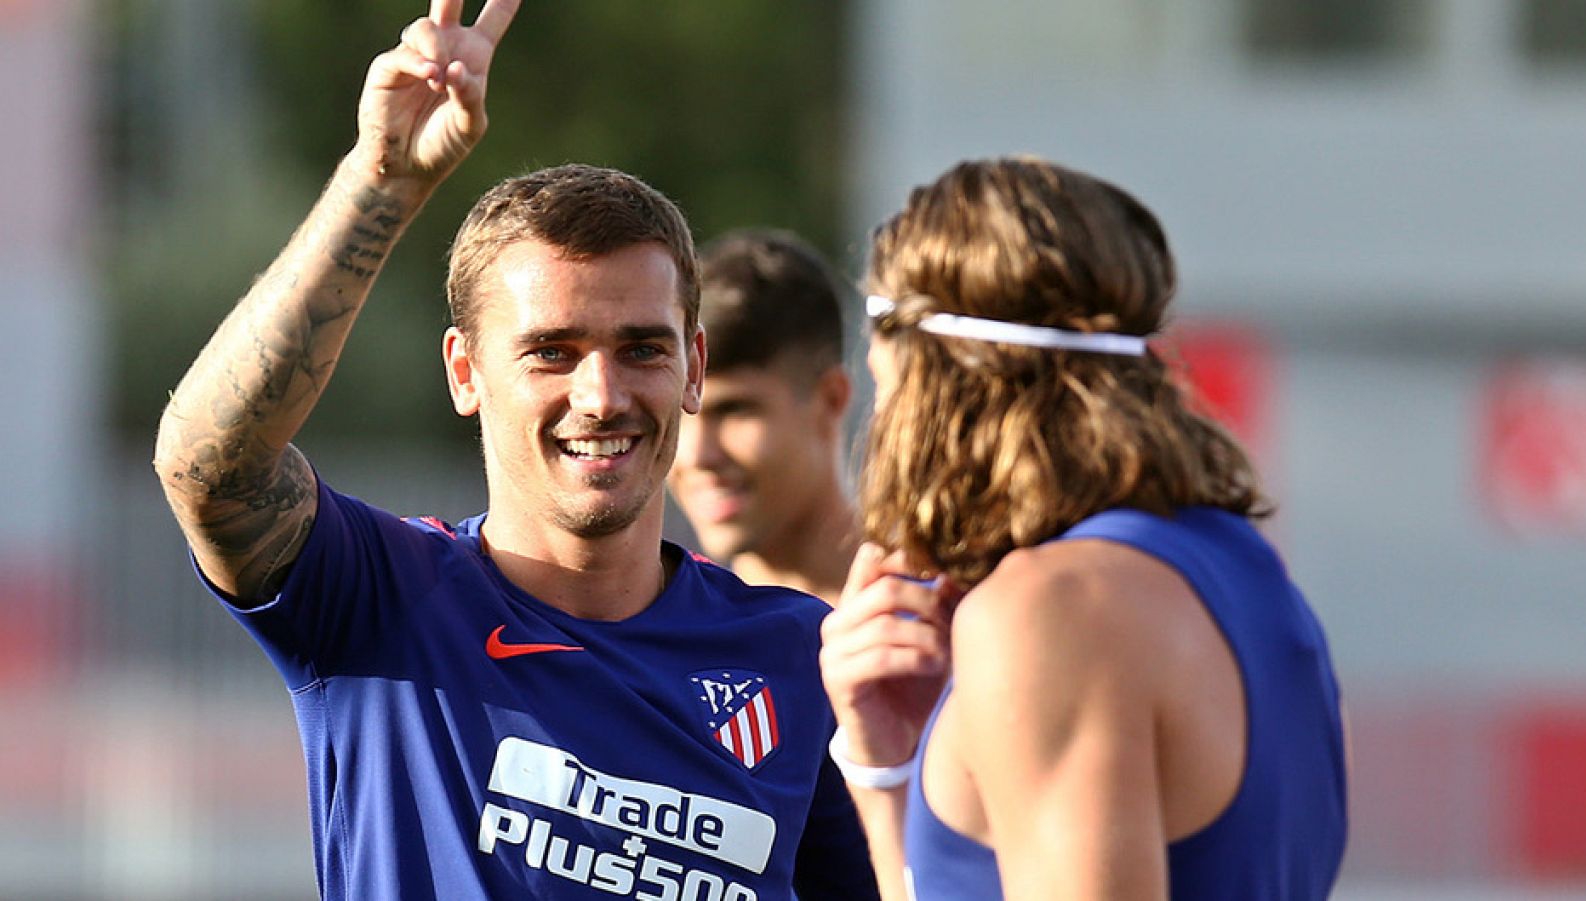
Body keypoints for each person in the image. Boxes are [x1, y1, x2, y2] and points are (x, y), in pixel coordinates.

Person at [151, 2, 877, 898]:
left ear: (693, 366)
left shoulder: (799, 656)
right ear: (466, 372)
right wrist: (380, 182)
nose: (602, 395)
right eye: (551, 352)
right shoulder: (385, 598)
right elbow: (208, 466)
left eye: (642, 348)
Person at [819, 157, 1347, 899]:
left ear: (934, 381)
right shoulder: (1242, 569)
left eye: (884, 380)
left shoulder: (1050, 614)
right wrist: (888, 775)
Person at [668, 229, 859, 605]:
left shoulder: (946, 621)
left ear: (830, 400)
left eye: (734, 410)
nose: (696, 456)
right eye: (679, 411)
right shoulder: (670, 637)